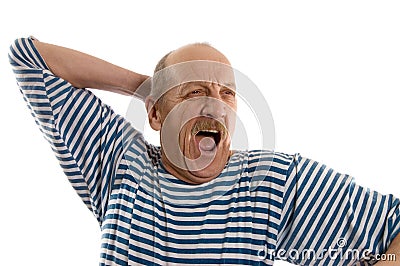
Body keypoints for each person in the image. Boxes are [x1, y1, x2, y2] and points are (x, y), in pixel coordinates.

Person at [9, 36, 400, 265]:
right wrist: (148, 87)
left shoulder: (273, 183)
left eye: (226, 93)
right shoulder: (119, 163)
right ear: (156, 114)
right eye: (195, 91)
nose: (214, 104)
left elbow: (393, 234)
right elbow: (28, 57)